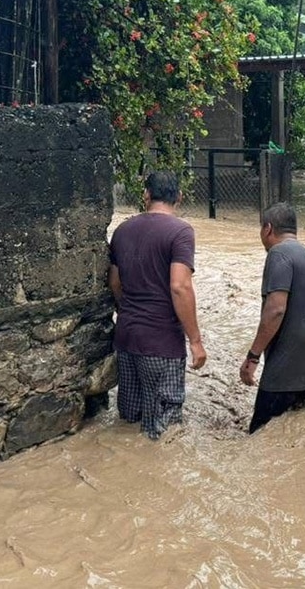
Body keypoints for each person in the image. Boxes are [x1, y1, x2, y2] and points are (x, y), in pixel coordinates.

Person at [107, 171, 206, 439]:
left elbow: (115, 282)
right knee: (163, 431)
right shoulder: (181, 232)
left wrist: (127, 312)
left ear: (146, 195)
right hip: (162, 343)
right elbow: (180, 286)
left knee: (129, 421)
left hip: (126, 338)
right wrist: (195, 341)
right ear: (179, 197)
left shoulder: (122, 230)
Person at [240, 202, 305, 433]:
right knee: (294, 434)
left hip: (284, 370)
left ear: (268, 228)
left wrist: (253, 356)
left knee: (258, 435)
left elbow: (276, 309)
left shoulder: (279, 254)